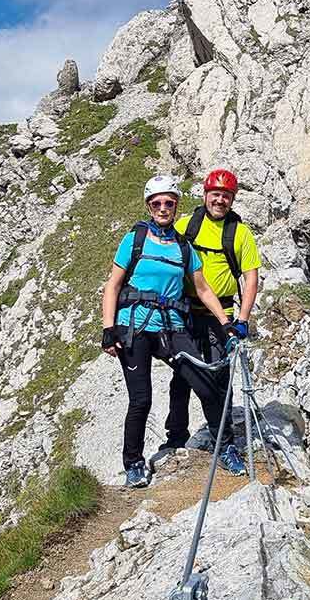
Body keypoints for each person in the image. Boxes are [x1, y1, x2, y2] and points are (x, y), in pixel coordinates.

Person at [101, 175, 246, 487]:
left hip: (171, 328)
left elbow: (203, 289)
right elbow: (112, 285)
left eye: (169, 202)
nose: (163, 208)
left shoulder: (183, 246)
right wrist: (108, 329)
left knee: (207, 386)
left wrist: (226, 323)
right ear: (149, 207)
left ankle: (226, 446)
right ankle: (134, 465)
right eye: (157, 203)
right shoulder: (134, 239)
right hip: (135, 327)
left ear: (176, 206)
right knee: (141, 400)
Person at [162, 168, 261, 472]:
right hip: (185, 312)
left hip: (223, 316)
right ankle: (176, 436)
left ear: (232, 200)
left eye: (226, 196)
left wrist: (242, 320)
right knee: (182, 375)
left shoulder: (240, 234)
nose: (220, 200)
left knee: (220, 379)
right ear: (205, 195)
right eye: (215, 194)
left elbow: (251, 277)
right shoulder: (185, 225)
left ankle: (226, 444)